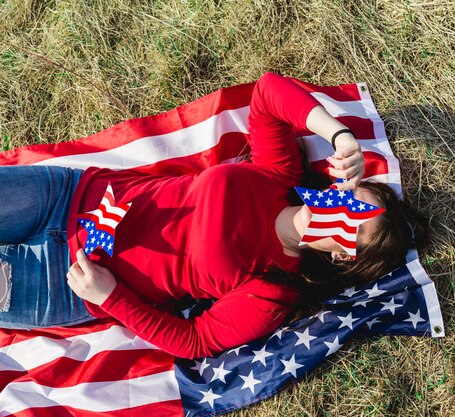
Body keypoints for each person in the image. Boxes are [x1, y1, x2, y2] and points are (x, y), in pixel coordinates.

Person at [0, 72, 425, 359]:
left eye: (357, 222)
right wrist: (340, 134)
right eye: (353, 196)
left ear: (343, 255)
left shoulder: (274, 290)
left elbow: (196, 341)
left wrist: (112, 299)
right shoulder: (277, 175)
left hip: (67, 278)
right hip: (68, 194)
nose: (345, 209)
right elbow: (268, 90)